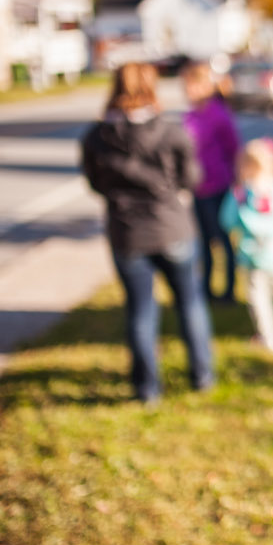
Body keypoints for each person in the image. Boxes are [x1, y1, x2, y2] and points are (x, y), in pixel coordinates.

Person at [81, 62, 215, 402]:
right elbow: (192, 179)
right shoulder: (171, 133)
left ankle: (147, 389)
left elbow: (97, 184)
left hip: (128, 235)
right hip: (173, 229)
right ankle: (202, 376)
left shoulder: (97, 137)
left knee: (141, 310)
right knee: (191, 303)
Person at [220, 140, 273, 354]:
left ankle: (269, 337)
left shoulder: (241, 194)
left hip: (253, 255)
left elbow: (226, 220)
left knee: (258, 298)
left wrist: (242, 222)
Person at [182, 62, 240, 302]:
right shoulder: (190, 115)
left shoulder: (218, 114)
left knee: (223, 239)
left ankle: (229, 290)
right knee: (204, 240)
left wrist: (235, 182)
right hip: (198, 187)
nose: (186, 91)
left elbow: (234, 150)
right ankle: (206, 289)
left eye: (189, 85)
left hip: (219, 186)